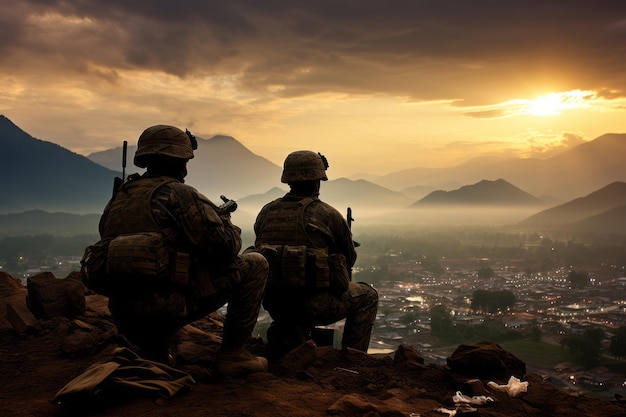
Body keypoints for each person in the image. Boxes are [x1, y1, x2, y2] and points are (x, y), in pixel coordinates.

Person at [96, 124, 268, 376]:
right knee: (256, 263)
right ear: (182, 160)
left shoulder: (120, 198)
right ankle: (233, 355)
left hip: (125, 314)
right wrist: (226, 223)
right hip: (167, 307)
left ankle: (153, 353)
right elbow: (226, 248)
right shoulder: (180, 194)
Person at [253, 150, 378, 358]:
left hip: (275, 305)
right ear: (318, 180)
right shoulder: (328, 214)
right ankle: (355, 359)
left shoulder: (267, 211)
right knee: (368, 296)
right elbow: (348, 258)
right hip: (313, 306)